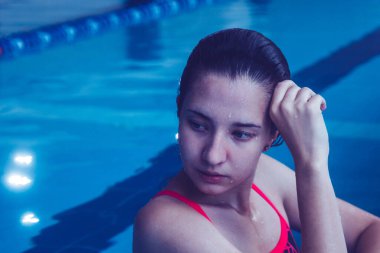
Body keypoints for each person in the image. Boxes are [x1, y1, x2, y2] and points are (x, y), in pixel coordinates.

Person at [133, 28, 380, 253]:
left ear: (271, 135)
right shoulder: (165, 225)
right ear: (180, 112)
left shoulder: (265, 177)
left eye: (241, 134)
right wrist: (311, 163)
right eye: (198, 125)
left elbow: (371, 229)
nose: (213, 155)